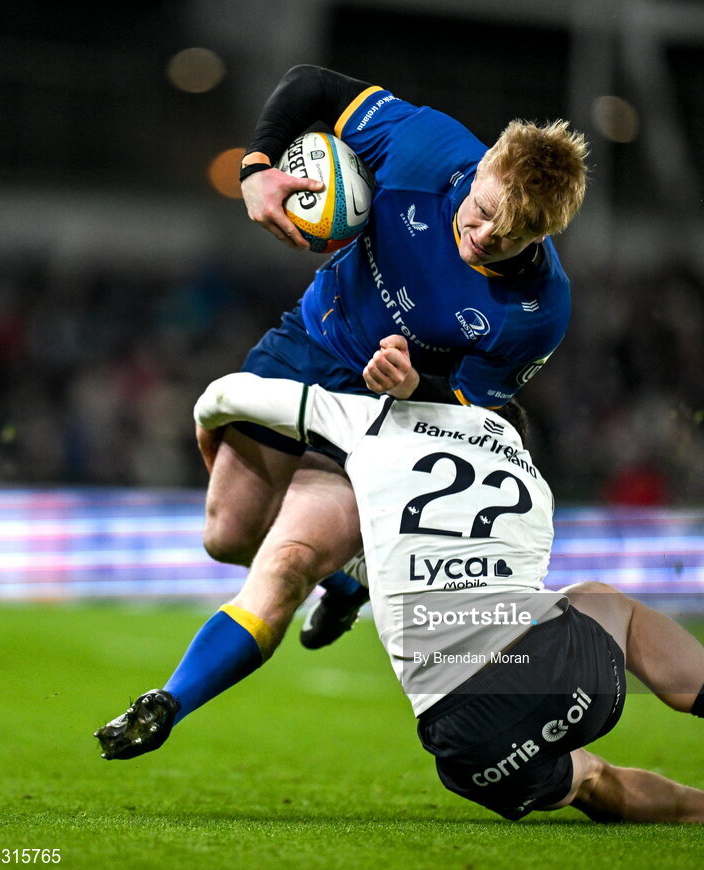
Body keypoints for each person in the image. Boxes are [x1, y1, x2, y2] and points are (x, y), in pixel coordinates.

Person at [96, 370, 704, 828]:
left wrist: (211, 441)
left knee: (589, 778)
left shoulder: (373, 424)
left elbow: (228, 392)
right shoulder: (530, 483)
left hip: (460, 744)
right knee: (608, 604)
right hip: (552, 676)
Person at [167, 64, 589, 729]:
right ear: (480, 172)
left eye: (506, 238)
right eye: (481, 212)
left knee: (289, 561)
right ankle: (348, 580)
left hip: (394, 414)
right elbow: (312, 86)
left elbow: (484, 416)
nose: (481, 237)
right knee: (226, 536)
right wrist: (256, 168)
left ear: (541, 236)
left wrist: (417, 385)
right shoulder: (424, 144)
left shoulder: (537, 311)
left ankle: (176, 695)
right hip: (310, 342)